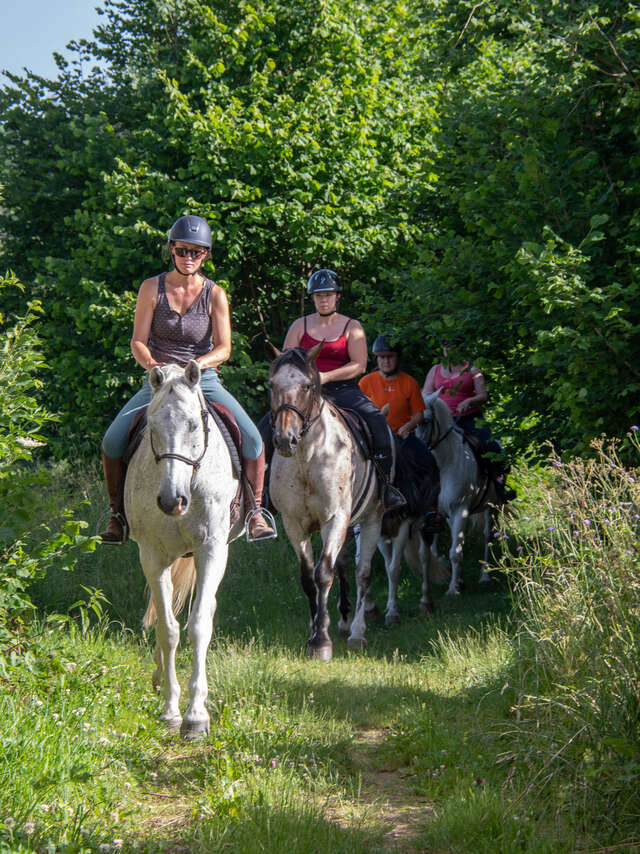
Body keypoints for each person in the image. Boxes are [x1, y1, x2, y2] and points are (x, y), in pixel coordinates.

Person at [100, 214, 275, 544]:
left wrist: (197, 365)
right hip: (161, 381)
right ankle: (117, 515)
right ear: (171, 250)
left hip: (202, 380)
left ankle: (254, 513)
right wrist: (153, 366)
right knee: (112, 440)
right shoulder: (151, 288)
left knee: (253, 440)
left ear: (205, 255)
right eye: (182, 250)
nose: (189, 257)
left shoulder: (215, 294)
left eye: (196, 252)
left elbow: (224, 348)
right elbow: (138, 341)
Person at [281, 269, 405, 511]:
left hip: (342, 389)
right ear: (312, 298)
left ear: (337, 296)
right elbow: (286, 361)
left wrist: (325, 376)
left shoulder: (352, 326)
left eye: (328, 294)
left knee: (377, 421)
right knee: (269, 423)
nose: (323, 299)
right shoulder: (300, 325)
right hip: (304, 392)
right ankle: (262, 495)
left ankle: (385, 486)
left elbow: (358, 364)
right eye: (318, 295)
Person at [359, 335, 443, 532]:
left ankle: (431, 512)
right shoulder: (366, 382)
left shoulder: (409, 382)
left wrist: (407, 427)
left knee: (429, 464)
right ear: (376, 359)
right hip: (375, 439)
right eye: (381, 357)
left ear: (398, 358)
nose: (386, 361)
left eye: (390, 356)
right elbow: (358, 412)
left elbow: (419, 415)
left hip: (403, 437)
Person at [422, 337, 515, 502]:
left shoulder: (472, 370)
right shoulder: (434, 370)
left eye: (453, 346)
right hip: (443, 420)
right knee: (422, 446)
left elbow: (482, 395)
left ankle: (498, 485)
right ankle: (423, 493)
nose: (449, 350)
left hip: (469, 417)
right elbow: (426, 394)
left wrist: (469, 401)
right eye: (446, 346)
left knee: (491, 446)